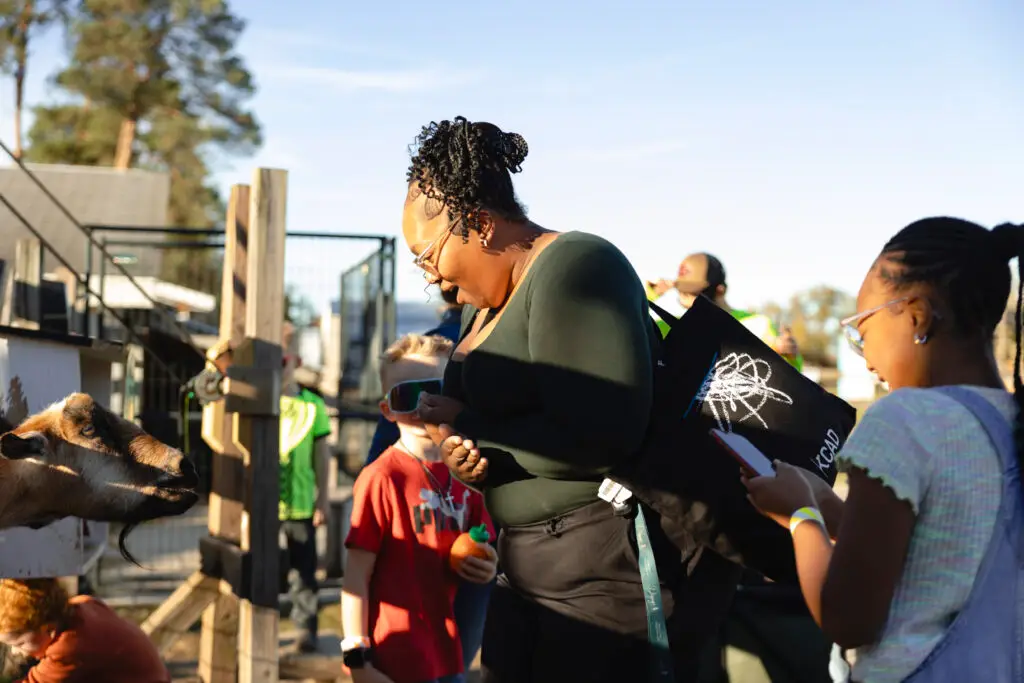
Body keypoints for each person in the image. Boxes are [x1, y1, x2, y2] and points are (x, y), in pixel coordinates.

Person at [404, 116, 716, 683]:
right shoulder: (484, 304)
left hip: (598, 573)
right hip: (523, 569)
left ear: (478, 223)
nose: (436, 283)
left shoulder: (576, 267)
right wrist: (466, 455)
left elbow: (601, 433)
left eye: (429, 258)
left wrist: (473, 425)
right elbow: (510, 433)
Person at [744, 217, 1024, 682]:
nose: (863, 352)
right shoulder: (1010, 420)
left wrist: (800, 517)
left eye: (861, 328)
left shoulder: (905, 420)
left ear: (917, 315)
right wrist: (828, 507)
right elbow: (941, 544)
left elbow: (847, 619)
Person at [341, 333, 496, 683]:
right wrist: (356, 659)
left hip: (446, 652)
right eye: (407, 395)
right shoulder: (381, 477)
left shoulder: (467, 471)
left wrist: (486, 564)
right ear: (388, 410)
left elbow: (480, 539)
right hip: (392, 657)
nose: (423, 406)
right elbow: (356, 574)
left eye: (437, 390)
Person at [648, 252, 803, 370]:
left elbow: (785, 378)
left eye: (693, 291)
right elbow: (630, 322)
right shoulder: (666, 326)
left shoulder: (757, 325)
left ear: (720, 290)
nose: (685, 296)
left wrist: (790, 356)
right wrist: (648, 294)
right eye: (681, 289)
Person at [279, 320, 333, 652]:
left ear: (296, 362)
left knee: (304, 572)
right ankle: (262, 623)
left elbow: (322, 458)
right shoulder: (260, 403)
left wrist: (322, 501)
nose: (276, 368)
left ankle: (305, 629)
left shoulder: (313, 406)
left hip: (300, 506)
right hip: (265, 504)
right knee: (264, 568)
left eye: (282, 361)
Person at [0, 578, 170, 682]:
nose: (15, 652)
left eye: (20, 643)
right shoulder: (83, 604)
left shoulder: (68, 647)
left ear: (48, 629)